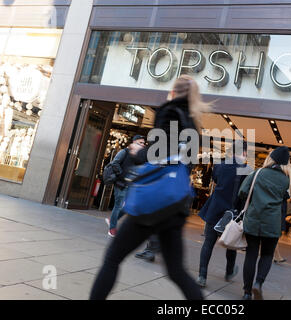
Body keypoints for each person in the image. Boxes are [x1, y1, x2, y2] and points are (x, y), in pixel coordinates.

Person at [89, 75, 210, 300]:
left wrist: (138, 153)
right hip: (175, 203)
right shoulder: (193, 123)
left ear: (174, 91)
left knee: (112, 258)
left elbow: (158, 153)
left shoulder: (169, 111)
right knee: (176, 271)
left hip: (153, 201)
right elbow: (186, 161)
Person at [238, 146, 291, 300]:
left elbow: (242, 192)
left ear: (271, 158)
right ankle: (258, 283)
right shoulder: (286, 179)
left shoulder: (258, 173)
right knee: (267, 255)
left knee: (251, 255)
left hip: (253, 220)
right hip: (272, 223)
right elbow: (287, 196)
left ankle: (247, 292)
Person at [197, 141, 251, 287]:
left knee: (208, 243)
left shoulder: (220, 165)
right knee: (231, 243)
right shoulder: (247, 170)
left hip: (215, 208)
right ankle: (229, 272)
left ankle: (202, 276)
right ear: (244, 153)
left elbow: (216, 180)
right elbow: (246, 192)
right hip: (233, 212)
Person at [104, 135, 146, 237]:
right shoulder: (124, 152)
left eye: (143, 143)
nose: (143, 144)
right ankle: (112, 228)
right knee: (118, 206)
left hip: (132, 184)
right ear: (134, 142)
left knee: (129, 206)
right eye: (141, 142)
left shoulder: (139, 156)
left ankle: (113, 219)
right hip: (121, 183)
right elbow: (115, 163)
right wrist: (122, 174)